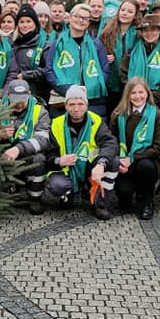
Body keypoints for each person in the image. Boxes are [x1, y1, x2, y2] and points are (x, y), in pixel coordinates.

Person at [45, 85, 119, 220]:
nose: (76, 108)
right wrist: (59, 161)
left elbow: (110, 143)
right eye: (72, 104)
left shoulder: (96, 121)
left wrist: (101, 163)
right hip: (67, 169)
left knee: (113, 162)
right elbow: (49, 155)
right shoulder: (56, 124)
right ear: (66, 106)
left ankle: (100, 204)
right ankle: (69, 195)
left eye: (80, 104)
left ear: (87, 105)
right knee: (57, 185)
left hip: (90, 166)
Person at [110, 77, 160, 220]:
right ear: (127, 95)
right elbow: (111, 141)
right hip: (124, 162)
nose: (138, 96)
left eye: (141, 92)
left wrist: (132, 158)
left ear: (147, 93)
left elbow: (158, 148)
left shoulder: (158, 116)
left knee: (145, 166)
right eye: (133, 93)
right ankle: (127, 196)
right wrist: (119, 160)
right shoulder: (118, 115)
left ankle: (147, 201)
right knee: (124, 193)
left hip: (147, 161)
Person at [122, 14, 160, 151]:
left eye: (154, 29)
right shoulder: (131, 52)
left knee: (159, 132)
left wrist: (155, 96)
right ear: (141, 32)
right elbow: (123, 74)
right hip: (135, 100)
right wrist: (134, 94)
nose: (149, 33)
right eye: (146, 30)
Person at [45, 3, 110, 119]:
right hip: (64, 98)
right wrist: (66, 89)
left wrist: (90, 88)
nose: (81, 20)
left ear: (88, 22)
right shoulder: (57, 43)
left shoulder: (96, 45)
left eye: (85, 18)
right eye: (77, 16)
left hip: (93, 100)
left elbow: (105, 70)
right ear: (69, 19)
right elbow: (49, 70)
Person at [0, 80, 52, 215]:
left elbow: (43, 140)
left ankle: (35, 198)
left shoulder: (40, 112)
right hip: (3, 153)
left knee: (39, 159)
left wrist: (18, 149)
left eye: (23, 99)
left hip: (27, 155)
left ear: (29, 94)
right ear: (8, 95)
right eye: (15, 99)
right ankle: (3, 193)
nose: (19, 103)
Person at [99, 0, 140, 116]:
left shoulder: (139, 33)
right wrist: (104, 57)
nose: (125, 13)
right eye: (123, 10)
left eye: (129, 11)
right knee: (112, 112)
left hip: (130, 80)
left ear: (135, 15)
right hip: (112, 81)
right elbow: (98, 52)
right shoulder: (107, 32)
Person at [10, 5, 49, 102]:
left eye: (28, 21)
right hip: (13, 94)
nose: (25, 25)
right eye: (21, 22)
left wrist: (26, 75)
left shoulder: (44, 45)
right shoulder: (11, 43)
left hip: (37, 95)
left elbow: (48, 70)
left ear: (35, 23)